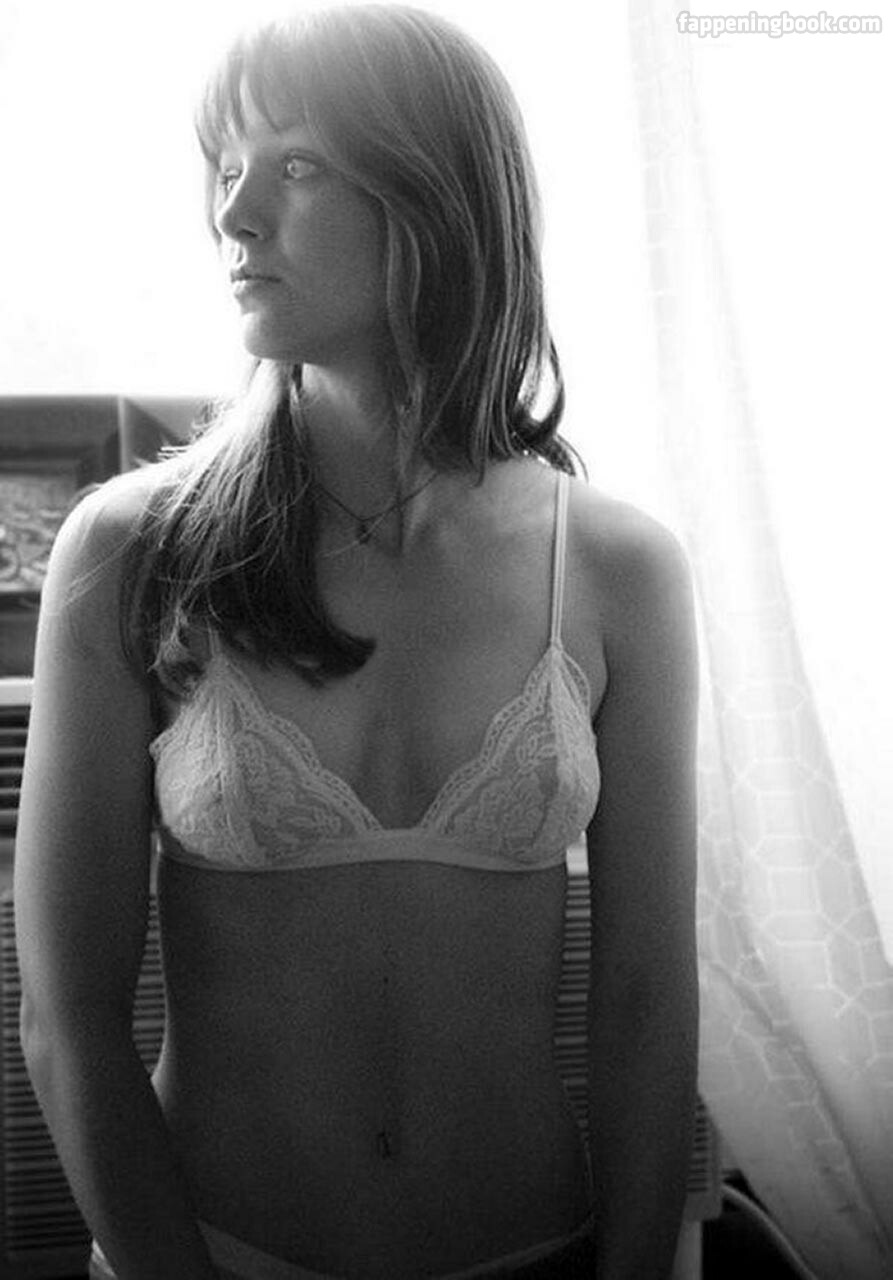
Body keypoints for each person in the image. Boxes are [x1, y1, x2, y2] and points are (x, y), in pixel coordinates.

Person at [14, 6, 699, 1278]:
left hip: (539, 1252)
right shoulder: (130, 551)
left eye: (294, 164)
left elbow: (648, 1001)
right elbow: (67, 1020)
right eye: (226, 167)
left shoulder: (617, 567)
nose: (232, 215)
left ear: (437, 197)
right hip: (212, 1257)